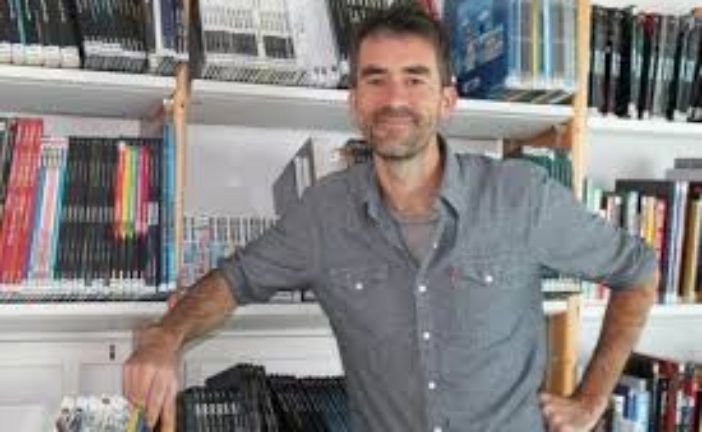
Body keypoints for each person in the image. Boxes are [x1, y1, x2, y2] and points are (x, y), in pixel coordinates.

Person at [123, 4, 659, 431]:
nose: (394, 98)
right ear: (355, 101)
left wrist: (591, 401)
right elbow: (233, 281)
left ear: (447, 100)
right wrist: (166, 337)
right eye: (376, 79)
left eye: (415, 78)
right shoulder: (324, 214)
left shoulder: (521, 197)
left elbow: (637, 273)